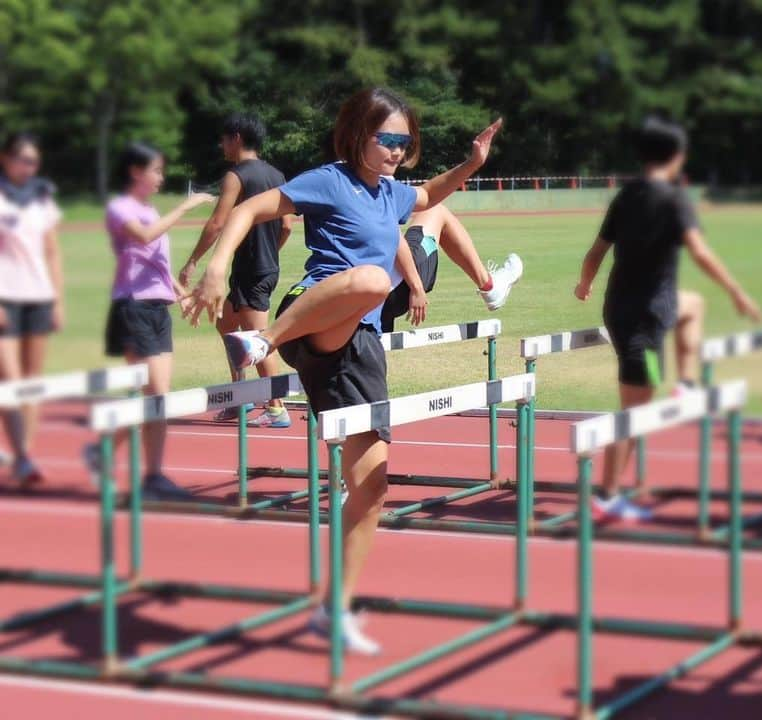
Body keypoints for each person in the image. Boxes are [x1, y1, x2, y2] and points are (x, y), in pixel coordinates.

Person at [185, 87, 501, 654]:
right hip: (315, 316)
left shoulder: (390, 194)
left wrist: (471, 165)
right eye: (388, 140)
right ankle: (261, 342)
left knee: (372, 488)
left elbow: (428, 195)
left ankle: (334, 609)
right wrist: (216, 265)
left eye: (406, 143)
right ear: (358, 135)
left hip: (362, 344)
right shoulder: (329, 180)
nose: (398, 152)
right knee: (373, 280)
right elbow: (252, 209)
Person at [574, 115, 761, 521]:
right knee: (634, 414)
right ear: (677, 156)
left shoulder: (626, 197)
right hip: (645, 320)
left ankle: (687, 384)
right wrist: (736, 291)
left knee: (692, 305)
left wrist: (584, 285)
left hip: (629, 308)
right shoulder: (674, 200)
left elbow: (595, 253)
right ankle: (606, 494)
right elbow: (701, 252)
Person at [86, 142, 215, 500]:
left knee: (158, 398)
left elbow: (157, 264)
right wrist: (185, 207)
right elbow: (144, 237)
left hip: (157, 309)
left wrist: (182, 293)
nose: (161, 177)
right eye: (156, 170)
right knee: (154, 395)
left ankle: (139, 468)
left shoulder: (149, 210)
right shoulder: (120, 208)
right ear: (135, 172)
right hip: (133, 308)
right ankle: (142, 469)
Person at [179, 113, 293, 427]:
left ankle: (276, 407)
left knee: (260, 339)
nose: (221, 144)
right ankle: (241, 396)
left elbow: (217, 223)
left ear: (237, 138)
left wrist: (193, 261)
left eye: (224, 138)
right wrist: (269, 252)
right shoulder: (277, 175)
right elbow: (286, 226)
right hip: (261, 267)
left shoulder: (237, 176)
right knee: (226, 324)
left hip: (253, 270)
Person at [0, 132, 64, 486]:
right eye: (22, 160)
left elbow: (52, 250)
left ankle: (24, 448)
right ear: (6, 159)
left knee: (31, 383)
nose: (29, 167)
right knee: (10, 380)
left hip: (38, 295)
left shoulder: (42, 194)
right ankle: (23, 458)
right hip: (4, 296)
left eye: (34, 162)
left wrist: (57, 300)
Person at [379, 203, 522, 333]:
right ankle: (489, 286)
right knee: (435, 210)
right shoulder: (374, 184)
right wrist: (416, 287)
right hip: (394, 288)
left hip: (365, 301)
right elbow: (393, 237)